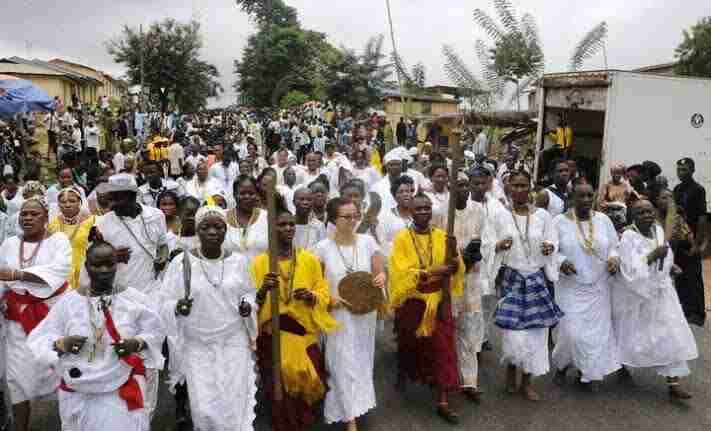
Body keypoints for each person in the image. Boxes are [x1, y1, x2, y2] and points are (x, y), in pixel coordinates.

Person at [27, 241, 164, 431]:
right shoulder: (68, 303)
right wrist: (62, 344)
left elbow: (155, 331)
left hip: (118, 391)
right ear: (86, 266)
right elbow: (39, 339)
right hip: (77, 392)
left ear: (117, 265)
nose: (104, 270)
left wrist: (137, 343)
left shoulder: (134, 299)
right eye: (97, 264)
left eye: (109, 264)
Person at [160, 206, 258, 430]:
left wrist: (247, 306)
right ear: (197, 230)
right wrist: (177, 307)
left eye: (218, 227)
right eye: (206, 227)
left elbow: (248, 293)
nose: (213, 232)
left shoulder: (240, 262)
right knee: (204, 408)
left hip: (234, 341)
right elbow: (164, 302)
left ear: (226, 230)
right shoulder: (181, 263)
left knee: (235, 401)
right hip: (197, 345)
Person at [251, 205, 340, 431]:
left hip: (304, 337)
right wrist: (263, 290)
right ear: (272, 230)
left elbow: (323, 293)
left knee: (303, 390)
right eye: (281, 224)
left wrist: (310, 296)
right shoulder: (260, 263)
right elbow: (250, 301)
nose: (288, 228)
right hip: (274, 339)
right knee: (279, 394)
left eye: (291, 224)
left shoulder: (309, 260)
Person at [389, 193, 465, 423]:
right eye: (418, 209)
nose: (423, 212)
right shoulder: (402, 238)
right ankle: (404, 371)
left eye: (427, 208)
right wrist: (432, 271)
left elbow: (457, 268)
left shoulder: (443, 236)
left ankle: (442, 399)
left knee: (443, 348)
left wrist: (454, 258)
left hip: (439, 300)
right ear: (410, 211)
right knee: (410, 343)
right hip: (414, 301)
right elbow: (399, 272)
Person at [488, 170, 562, 401]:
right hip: (512, 278)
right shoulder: (500, 216)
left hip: (536, 279)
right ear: (508, 187)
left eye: (523, 185)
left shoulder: (542, 216)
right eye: (515, 185)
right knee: (513, 333)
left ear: (530, 187)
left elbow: (553, 241)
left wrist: (550, 248)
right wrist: (498, 245)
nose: (519, 190)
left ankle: (528, 381)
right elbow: (488, 243)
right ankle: (511, 370)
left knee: (537, 332)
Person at [613, 200, 698, 400]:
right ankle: (621, 362)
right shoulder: (628, 237)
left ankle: (674, 382)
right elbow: (629, 270)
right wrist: (651, 256)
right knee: (631, 336)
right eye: (641, 212)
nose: (646, 216)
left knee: (671, 334)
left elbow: (666, 256)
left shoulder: (659, 231)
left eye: (649, 211)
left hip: (662, 292)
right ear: (633, 216)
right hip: (638, 296)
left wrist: (671, 266)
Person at [0, 197, 72, 431]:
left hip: (51, 317)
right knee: (16, 379)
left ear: (46, 218)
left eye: (34, 214)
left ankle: (69, 424)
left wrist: (17, 275)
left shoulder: (59, 240)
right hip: (17, 320)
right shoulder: (9, 243)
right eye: (24, 214)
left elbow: (60, 271)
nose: (28, 218)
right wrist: (2, 298)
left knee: (61, 375)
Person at [315, 198, 386, 430]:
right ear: (333, 220)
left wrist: (381, 278)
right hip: (339, 316)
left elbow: (379, 270)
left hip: (364, 316)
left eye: (356, 215)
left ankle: (356, 405)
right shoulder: (321, 249)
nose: (353, 220)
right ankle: (350, 419)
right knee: (340, 364)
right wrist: (328, 299)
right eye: (346, 216)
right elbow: (315, 284)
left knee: (361, 363)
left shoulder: (367, 242)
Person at [552, 179, 621, 390]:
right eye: (581, 196)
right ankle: (562, 365)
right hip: (571, 287)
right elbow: (550, 251)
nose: (586, 200)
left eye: (590, 195)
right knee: (571, 332)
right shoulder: (558, 222)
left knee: (595, 334)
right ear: (572, 198)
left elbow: (614, 247)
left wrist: (613, 258)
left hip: (599, 286)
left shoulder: (603, 220)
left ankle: (586, 372)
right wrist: (561, 262)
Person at [450, 172, 490, 400]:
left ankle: (470, 382)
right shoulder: (441, 211)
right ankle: (448, 377)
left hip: (472, 279)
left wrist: (475, 253)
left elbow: (485, 239)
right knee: (450, 328)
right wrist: (459, 257)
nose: (463, 189)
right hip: (451, 279)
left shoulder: (478, 210)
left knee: (469, 330)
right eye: (458, 185)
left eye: (466, 185)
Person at [673, 157, 708, 326]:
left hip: (692, 239)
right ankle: (684, 309)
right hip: (679, 240)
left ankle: (698, 313)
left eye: (685, 170)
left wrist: (697, 244)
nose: (681, 173)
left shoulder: (698, 190)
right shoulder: (677, 189)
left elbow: (702, 218)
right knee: (680, 275)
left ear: (692, 171)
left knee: (693, 276)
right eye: (679, 170)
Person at [47, 186, 96, 290]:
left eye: (72, 201)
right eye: (63, 202)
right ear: (58, 205)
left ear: (80, 202)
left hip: (85, 272)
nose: (67, 205)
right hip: (60, 274)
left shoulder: (92, 222)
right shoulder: (52, 224)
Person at [225, 175, 269, 261]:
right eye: (242, 193)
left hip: (260, 273)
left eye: (251, 193)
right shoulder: (223, 218)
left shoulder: (266, 217)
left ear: (256, 195)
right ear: (234, 194)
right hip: (230, 272)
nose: (247, 197)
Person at [377, 175, 415, 258]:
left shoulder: (418, 215)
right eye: (401, 192)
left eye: (408, 191)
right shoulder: (385, 217)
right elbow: (382, 243)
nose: (405, 194)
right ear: (394, 196)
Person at [425, 164, 449, 229]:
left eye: (444, 176)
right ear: (431, 178)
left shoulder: (451, 196)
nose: (441, 179)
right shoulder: (426, 196)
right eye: (438, 176)